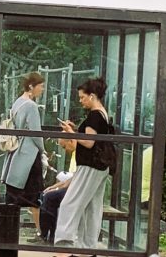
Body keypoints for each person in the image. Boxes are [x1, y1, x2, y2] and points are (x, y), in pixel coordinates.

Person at [55, 77, 112, 249]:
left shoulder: (94, 115)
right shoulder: (103, 113)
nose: (80, 101)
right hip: (101, 166)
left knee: (70, 202)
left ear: (92, 96)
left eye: (82, 97)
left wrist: (72, 132)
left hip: (90, 165)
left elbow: (89, 142)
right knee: (92, 207)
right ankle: (87, 244)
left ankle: (64, 242)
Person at [1, 72, 47, 237]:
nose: (42, 90)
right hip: (29, 153)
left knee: (14, 192)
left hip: (16, 153)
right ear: (31, 86)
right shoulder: (31, 106)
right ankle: (40, 231)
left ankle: (7, 229)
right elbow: (36, 133)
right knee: (34, 193)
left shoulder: (17, 103)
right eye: (40, 86)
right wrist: (43, 150)